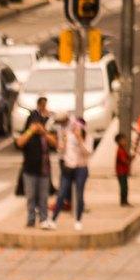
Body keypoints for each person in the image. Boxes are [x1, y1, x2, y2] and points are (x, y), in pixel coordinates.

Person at [15, 98, 57, 229]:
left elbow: (55, 143)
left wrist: (43, 132)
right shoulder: (28, 134)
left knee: (43, 197)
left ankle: (44, 219)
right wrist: (30, 131)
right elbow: (19, 142)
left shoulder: (44, 135)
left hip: (44, 170)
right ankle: (31, 219)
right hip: (29, 170)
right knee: (31, 197)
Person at [47, 117, 92, 231]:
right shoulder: (68, 135)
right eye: (74, 127)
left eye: (77, 127)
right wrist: (63, 141)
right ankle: (53, 219)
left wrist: (80, 140)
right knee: (61, 194)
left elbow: (87, 153)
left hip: (81, 169)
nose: (75, 129)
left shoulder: (88, 138)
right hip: (68, 168)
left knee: (79, 195)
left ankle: (78, 220)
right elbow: (61, 152)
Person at [116, 132, 133, 207]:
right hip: (121, 172)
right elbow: (124, 161)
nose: (125, 142)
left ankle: (124, 201)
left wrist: (130, 158)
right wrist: (129, 160)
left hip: (123, 171)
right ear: (119, 142)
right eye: (123, 140)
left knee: (125, 187)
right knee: (124, 187)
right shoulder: (120, 151)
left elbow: (127, 158)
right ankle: (123, 202)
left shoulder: (123, 150)